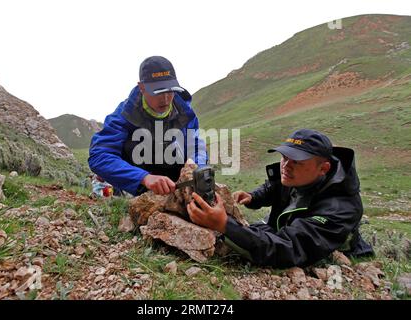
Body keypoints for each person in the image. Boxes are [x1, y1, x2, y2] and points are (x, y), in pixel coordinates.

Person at [187, 129, 373, 268]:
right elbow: (274, 186)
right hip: (282, 230)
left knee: (243, 232)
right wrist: (254, 197)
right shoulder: (297, 174)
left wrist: (224, 225)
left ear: (323, 169)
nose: (285, 166)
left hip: (324, 250)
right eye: (284, 158)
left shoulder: (340, 208)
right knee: (249, 230)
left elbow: (290, 248)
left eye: (296, 162)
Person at [89, 56, 207, 196]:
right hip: (137, 177)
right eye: (158, 92)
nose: (165, 99)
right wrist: (143, 178)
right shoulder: (124, 115)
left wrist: (197, 169)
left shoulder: (185, 114)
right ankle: (117, 189)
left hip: (168, 175)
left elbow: (195, 147)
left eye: (170, 91)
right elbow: (99, 155)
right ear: (142, 88)